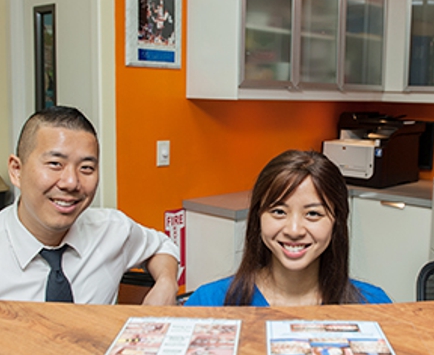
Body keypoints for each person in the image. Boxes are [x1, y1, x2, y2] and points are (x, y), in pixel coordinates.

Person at [0, 106, 179, 304]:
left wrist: (166, 283)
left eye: (86, 168)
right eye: (55, 164)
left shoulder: (111, 230)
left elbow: (162, 246)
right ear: (17, 170)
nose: (71, 182)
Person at [185, 149, 392, 306]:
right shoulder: (209, 302)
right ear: (258, 217)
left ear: (336, 222)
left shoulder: (373, 304)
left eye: (313, 214)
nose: (294, 230)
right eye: (278, 212)